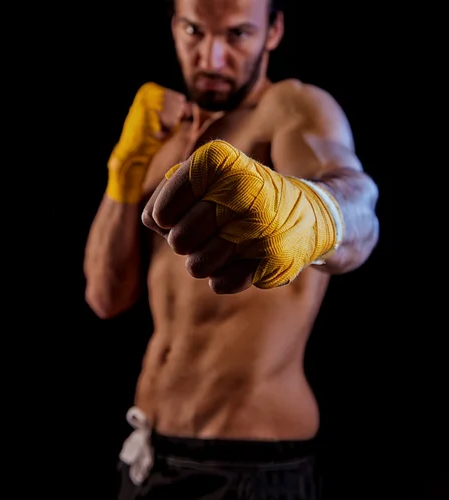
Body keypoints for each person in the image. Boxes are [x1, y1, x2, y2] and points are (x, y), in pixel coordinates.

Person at [84, 0, 380, 498]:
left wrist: (315, 212)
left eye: (238, 34)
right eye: (194, 31)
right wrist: (125, 167)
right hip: (148, 453)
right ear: (174, 26)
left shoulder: (290, 109)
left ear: (274, 31)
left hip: (252, 468)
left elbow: (360, 209)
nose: (212, 57)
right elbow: (105, 297)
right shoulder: (162, 134)